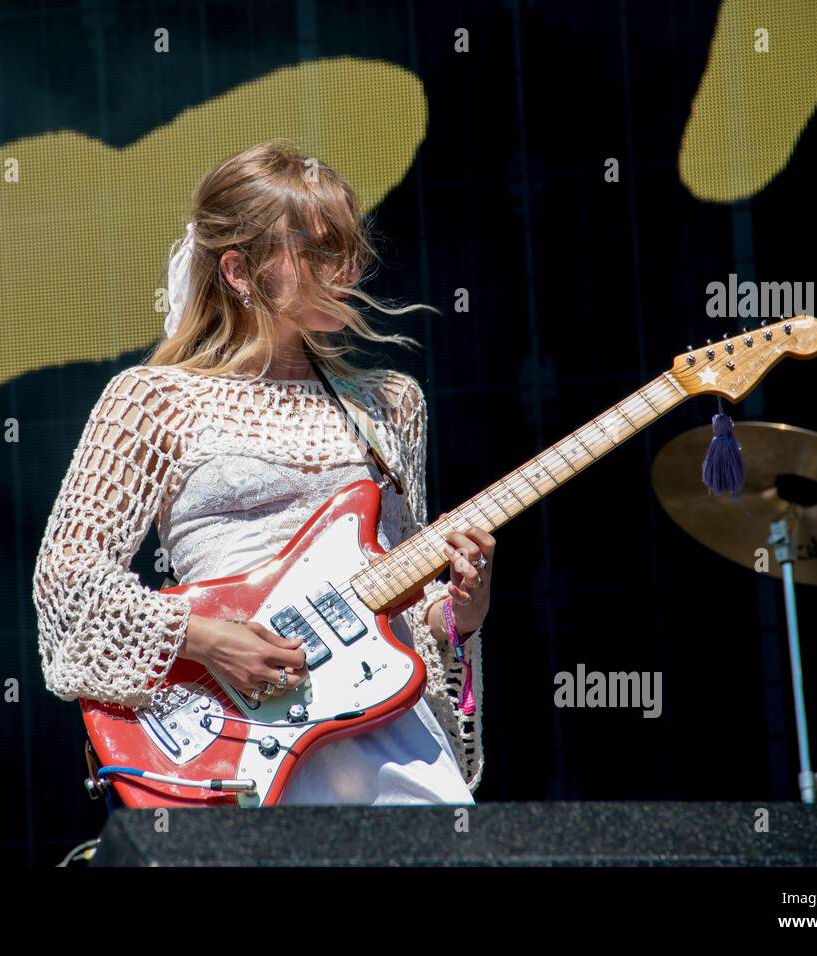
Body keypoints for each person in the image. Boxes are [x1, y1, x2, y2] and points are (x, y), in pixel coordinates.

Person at [33, 139, 494, 804]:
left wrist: (460, 612)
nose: (347, 268)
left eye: (348, 246)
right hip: (235, 733)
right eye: (317, 249)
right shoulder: (153, 399)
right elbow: (67, 580)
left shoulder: (391, 403)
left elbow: (411, 614)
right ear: (240, 271)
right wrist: (207, 639)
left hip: (390, 734)